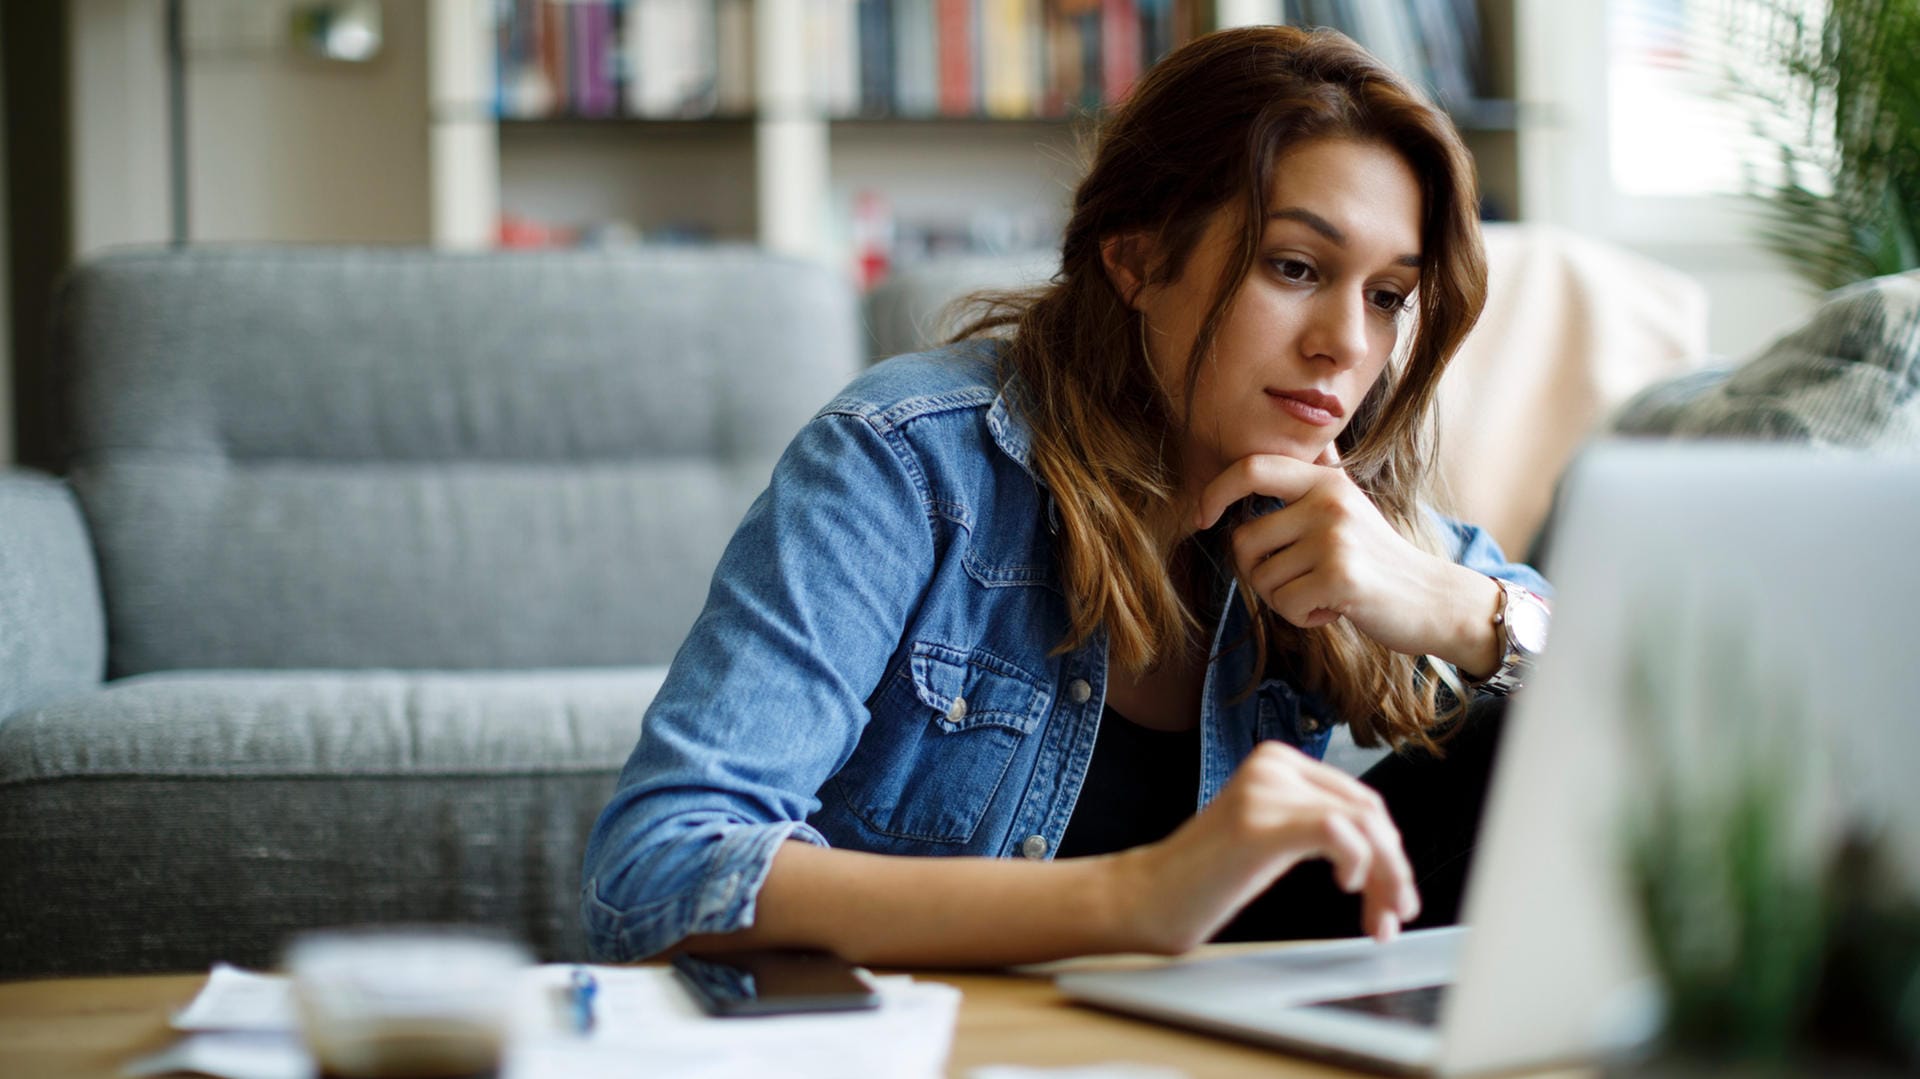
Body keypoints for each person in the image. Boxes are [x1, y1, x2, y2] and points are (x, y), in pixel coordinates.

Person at [581, 24, 1552, 968]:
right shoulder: (908, 461)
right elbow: (659, 866)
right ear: (1134, 260)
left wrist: (1457, 606)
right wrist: (1138, 896)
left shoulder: (1336, 501)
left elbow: (1648, 686)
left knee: (1539, 723)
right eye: (1293, 267)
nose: (1346, 342)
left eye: (1387, 295)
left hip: (1217, 1022)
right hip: (957, 1034)